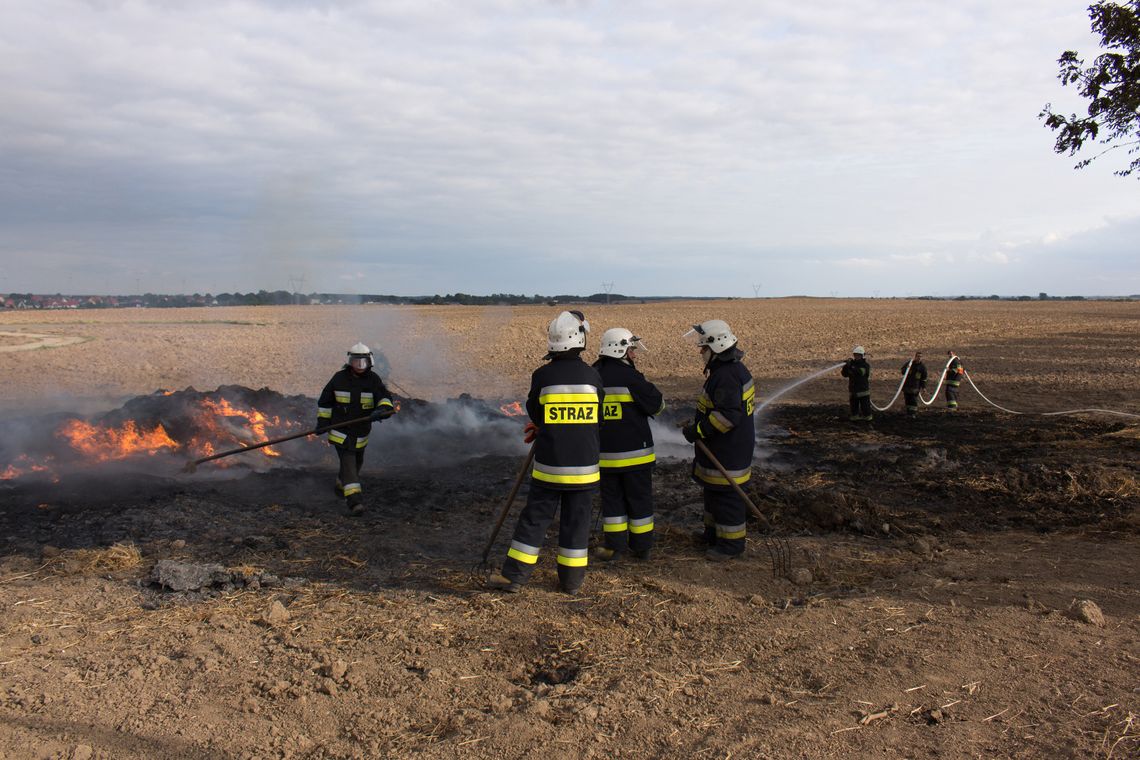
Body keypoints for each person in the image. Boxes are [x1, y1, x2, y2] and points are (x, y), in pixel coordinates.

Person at [487, 311, 604, 594]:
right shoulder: (593, 377)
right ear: (580, 339)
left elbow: (536, 412)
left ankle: (514, 577)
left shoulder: (542, 375)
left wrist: (545, 427)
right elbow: (596, 418)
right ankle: (572, 583)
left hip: (550, 467)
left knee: (535, 520)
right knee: (577, 523)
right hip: (585, 470)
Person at [680, 320, 756, 561]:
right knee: (714, 494)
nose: (701, 352)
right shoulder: (731, 371)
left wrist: (698, 431)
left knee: (727, 499)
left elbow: (727, 417)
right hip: (725, 448)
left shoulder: (726, 376)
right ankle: (713, 535)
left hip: (728, 451)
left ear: (717, 346)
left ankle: (731, 545)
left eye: (703, 348)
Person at [592, 327, 664, 563]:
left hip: (604, 456)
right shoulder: (631, 377)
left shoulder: (592, 376)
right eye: (631, 349)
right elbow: (657, 405)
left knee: (612, 503)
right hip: (636, 456)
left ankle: (615, 548)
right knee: (639, 501)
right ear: (620, 349)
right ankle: (641, 548)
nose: (634, 354)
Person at [316, 343, 396, 515]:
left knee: (357, 463)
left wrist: (382, 410)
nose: (359, 366)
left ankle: (340, 482)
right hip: (341, 432)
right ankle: (354, 501)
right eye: (356, 361)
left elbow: (384, 398)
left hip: (361, 433)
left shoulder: (373, 380)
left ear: (369, 361)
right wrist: (323, 422)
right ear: (349, 361)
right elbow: (325, 402)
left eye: (363, 362)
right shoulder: (339, 378)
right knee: (349, 463)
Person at [841, 346, 872, 422]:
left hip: (863, 391)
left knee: (865, 407)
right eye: (855, 355)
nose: (856, 356)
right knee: (854, 406)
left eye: (858, 355)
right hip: (853, 391)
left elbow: (860, 372)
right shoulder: (852, 365)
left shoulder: (865, 365)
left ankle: (868, 419)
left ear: (862, 355)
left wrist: (851, 366)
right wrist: (846, 367)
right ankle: (854, 417)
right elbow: (844, 374)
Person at [900, 351, 928, 417]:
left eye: (920, 357)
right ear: (915, 357)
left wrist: (923, 387)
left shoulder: (922, 367)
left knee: (913, 400)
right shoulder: (909, 364)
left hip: (915, 387)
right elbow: (902, 371)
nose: (919, 358)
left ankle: (913, 414)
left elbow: (924, 378)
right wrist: (907, 369)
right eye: (918, 356)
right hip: (907, 386)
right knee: (907, 400)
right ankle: (908, 413)